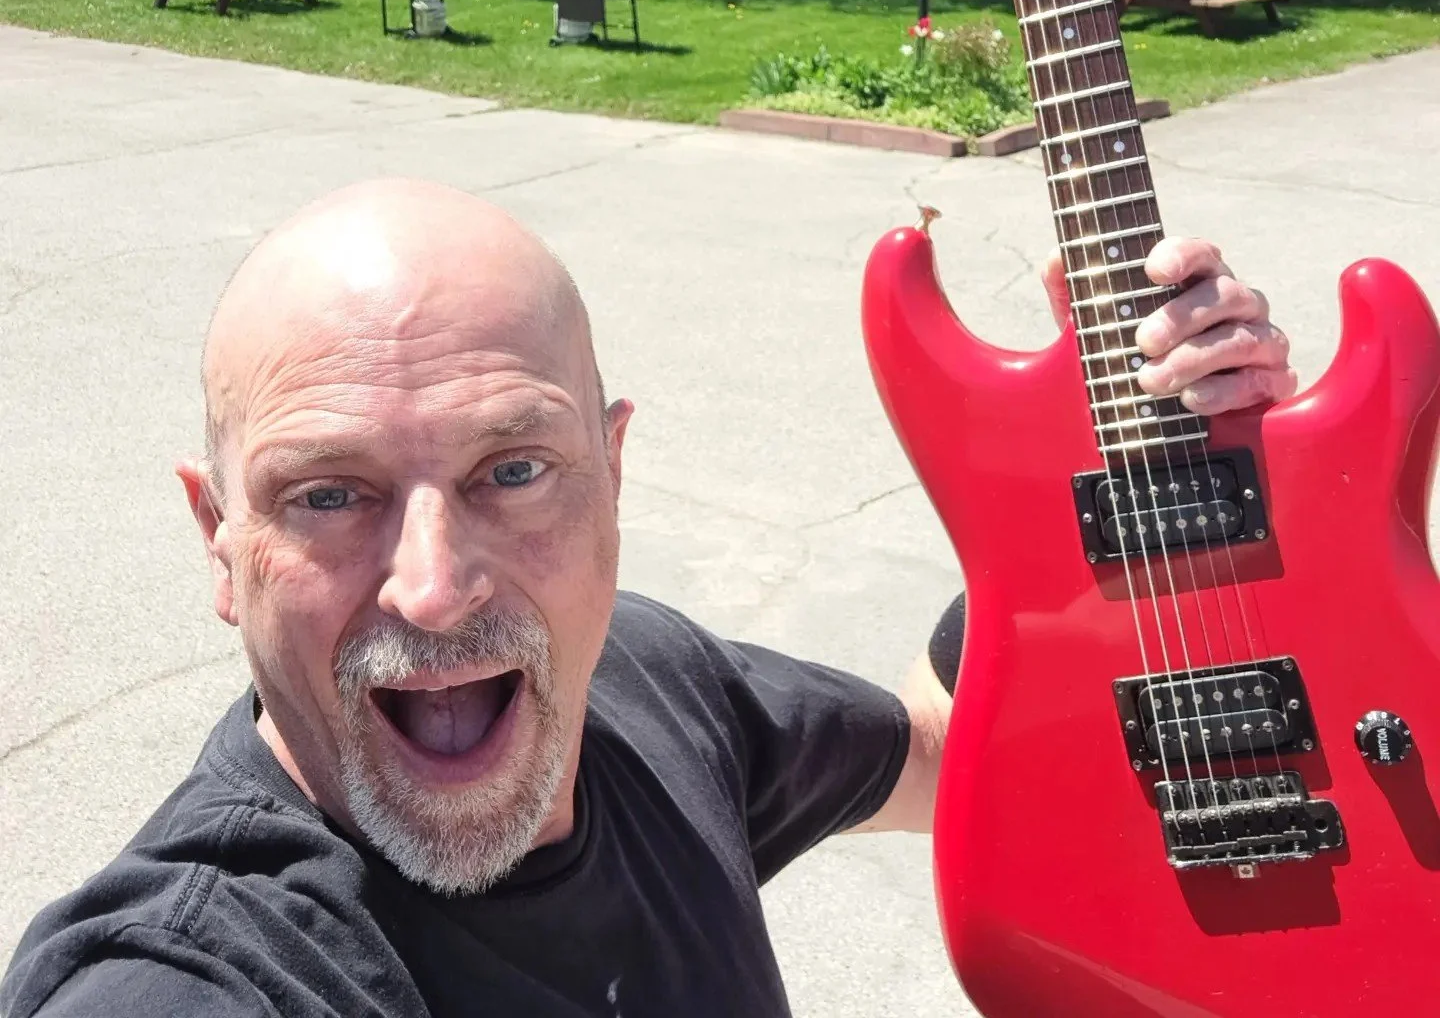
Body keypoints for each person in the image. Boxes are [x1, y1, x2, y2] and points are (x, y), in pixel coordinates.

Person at [0, 179, 1296, 1017]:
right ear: (217, 539)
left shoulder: (647, 686)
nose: (436, 589)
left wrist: (1122, 497)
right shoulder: (195, 977)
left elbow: (952, 754)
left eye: (515, 469)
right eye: (329, 495)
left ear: (613, 472)